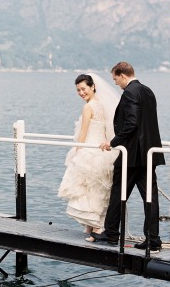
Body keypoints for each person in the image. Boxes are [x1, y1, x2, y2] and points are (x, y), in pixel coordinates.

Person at [90, 61, 165, 252]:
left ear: (122, 74)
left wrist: (112, 142)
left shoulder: (130, 92)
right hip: (149, 153)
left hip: (132, 155)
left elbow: (131, 124)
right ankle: (153, 240)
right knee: (150, 197)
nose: (116, 84)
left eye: (115, 79)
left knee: (118, 193)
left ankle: (111, 233)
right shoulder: (148, 91)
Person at [58, 73, 119, 241]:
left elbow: (83, 132)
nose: (81, 92)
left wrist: (77, 150)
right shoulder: (102, 105)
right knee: (97, 190)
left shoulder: (88, 107)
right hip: (101, 151)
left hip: (89, 150)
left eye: (83, 88)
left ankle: (97, 227)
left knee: (88, 190)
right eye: (78, 90)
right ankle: (92, 225)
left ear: (92, 87)